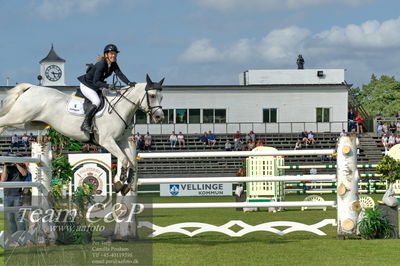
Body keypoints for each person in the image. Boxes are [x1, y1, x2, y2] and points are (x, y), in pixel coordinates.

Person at [77, 44, 136, 133]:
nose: (114, 55)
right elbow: (96, 82)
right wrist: (108, 86)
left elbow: (119, 74)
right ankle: (85, 124)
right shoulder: (101, 64)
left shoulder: (113, 64)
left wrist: (128, 83)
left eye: (115, 54)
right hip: (87, 85)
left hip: (96, 86)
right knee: (96, 101)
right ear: (106, 55)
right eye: (111, 53)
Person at [1, 155, 29, 233]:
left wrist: (16, 163)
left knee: (19, 216)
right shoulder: (7, 168)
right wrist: (5, 165)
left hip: (18, 195)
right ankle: (14, 236)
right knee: (10, 218)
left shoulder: (22, 167)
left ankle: (23, 235)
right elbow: (3, 179)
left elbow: (24, 174)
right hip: (7, 195)